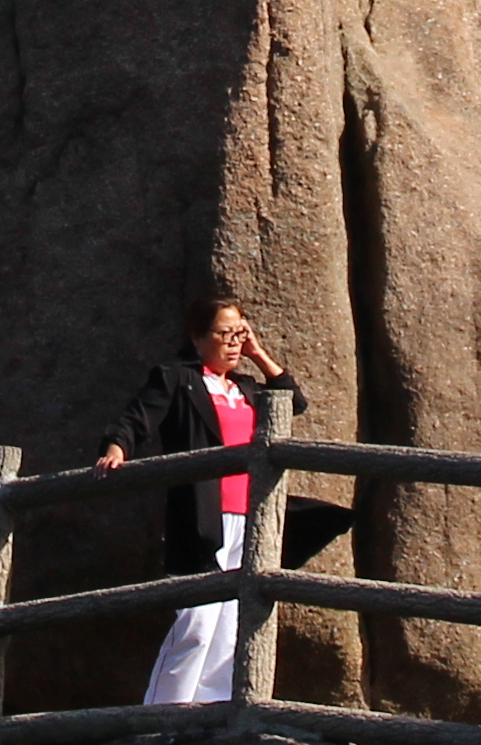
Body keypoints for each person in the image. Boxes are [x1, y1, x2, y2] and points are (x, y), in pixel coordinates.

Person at [93, 298, 343, 706]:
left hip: (250, 519)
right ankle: (162, 717)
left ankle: (206, 715)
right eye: (224, 334)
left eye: (239, 333)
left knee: (231, 629)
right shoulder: (178, 378)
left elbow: (293, 401)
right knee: (197, 625)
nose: (232, 343)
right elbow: (137, 418)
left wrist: (258, 354)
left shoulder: (246, 388)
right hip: (202, 516)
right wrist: (117, 446)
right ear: (197, 337)